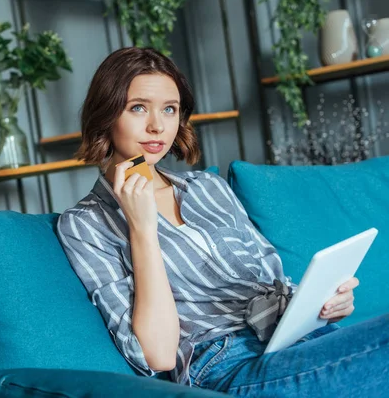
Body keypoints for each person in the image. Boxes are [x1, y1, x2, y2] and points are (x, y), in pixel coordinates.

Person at [56, 46, 389, 397]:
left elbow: (273, 279)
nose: (157, 126)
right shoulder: (84, 225)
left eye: (169, 109)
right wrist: (142, 228)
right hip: (226, 364)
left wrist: (323, 306)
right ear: (107, 115)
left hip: (298, 338)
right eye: (138, 107)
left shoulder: (208, 189)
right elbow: (157, 354)